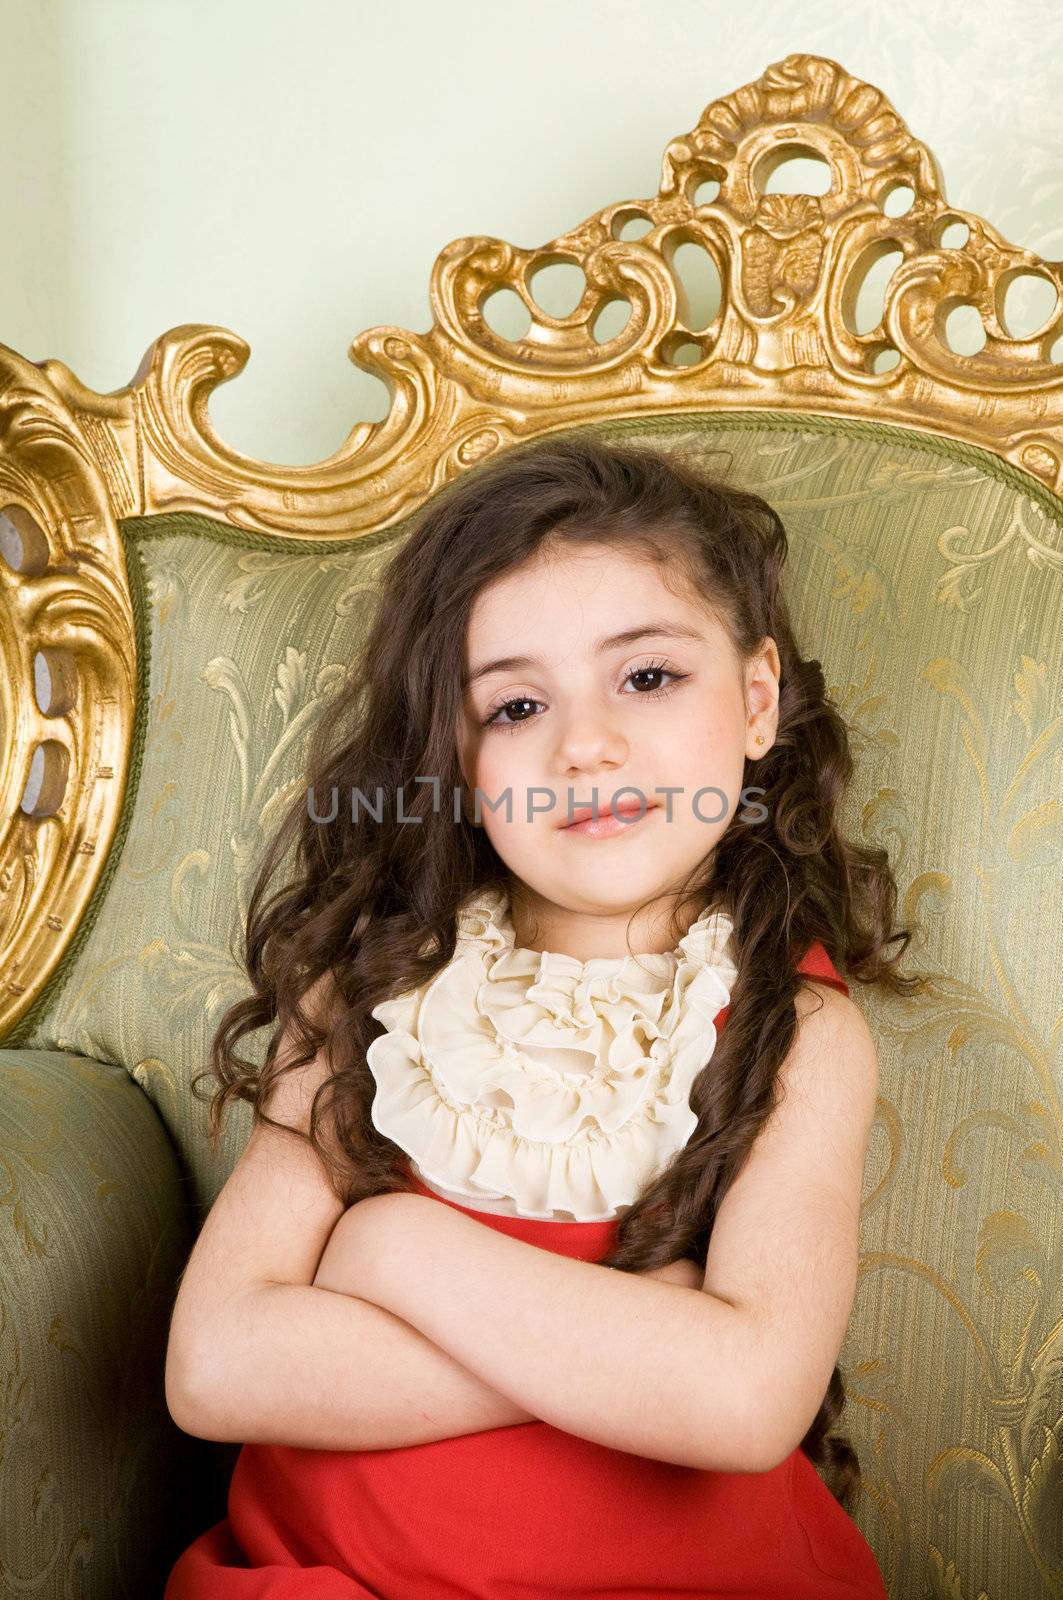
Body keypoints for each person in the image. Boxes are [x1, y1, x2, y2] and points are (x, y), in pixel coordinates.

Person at [164, 435, 921, 1597]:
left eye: (648, 676)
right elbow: (215, 1367)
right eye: (516, 703)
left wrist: (393, 1249)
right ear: (456, 758)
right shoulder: (366, 992)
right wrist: (633, 1333)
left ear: (757, 699)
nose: (584, 747)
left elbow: (740, 1398)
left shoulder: (794, 1033)